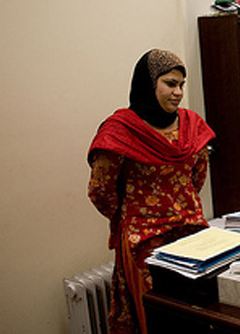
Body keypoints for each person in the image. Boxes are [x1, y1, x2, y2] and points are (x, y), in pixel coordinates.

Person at [87, 49, 215, 334]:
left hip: (191, 235)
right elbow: (100, 190)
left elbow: (197, 178)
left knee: (198, 319)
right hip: (143, 243)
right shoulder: (121, 130)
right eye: (170, 83)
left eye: (181, 85)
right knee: (158, 321)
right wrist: (138, 213)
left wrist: (178, 208)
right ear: (148, 83)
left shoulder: (192, 126)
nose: (178, 92)